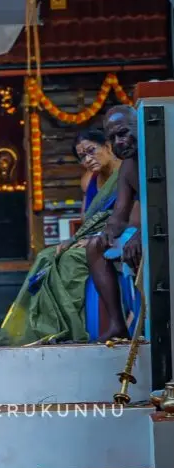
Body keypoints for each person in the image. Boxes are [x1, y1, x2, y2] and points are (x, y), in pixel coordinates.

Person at [0, 128, 121, 345]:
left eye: (92, 151)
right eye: (82, 156)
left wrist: (95, 238)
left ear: (108, 146)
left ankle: (70, 328)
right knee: (47, 255)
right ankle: (36, 326)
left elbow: (126, 216)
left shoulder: (125, 174)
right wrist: (71, 240)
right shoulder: (88, 180)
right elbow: (86, 220)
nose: (88, 159)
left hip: (115, 238)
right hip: (88, 238)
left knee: (70, 260)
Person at [86, 106, 141, 341]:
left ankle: (150, 322)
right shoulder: (128, 167)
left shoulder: (163, 152)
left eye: (124, 133)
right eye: (112, 138)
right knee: (94, 246)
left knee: (139, 249)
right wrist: (108, 233)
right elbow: (120, 214)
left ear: (139, 128)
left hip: (161, 231)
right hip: (142, 231)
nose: (119, 142)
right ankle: (118, 325)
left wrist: (141, 236)